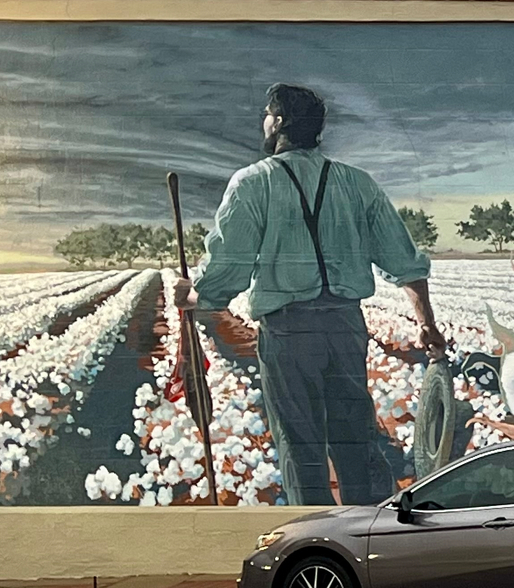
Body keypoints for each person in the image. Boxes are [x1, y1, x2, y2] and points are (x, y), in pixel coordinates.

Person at [177, 83, 446, 505]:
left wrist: (194, 297)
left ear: (279, 122)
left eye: (268, 113)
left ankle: (316, 540)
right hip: (345, 327)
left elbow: (227, 271)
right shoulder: (358, 184)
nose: (264, 121)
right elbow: (405, 262)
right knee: (356, 440)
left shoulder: (252, 183)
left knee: (300, 446)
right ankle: (367, 535)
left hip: (288, 334)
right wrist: (426, 324)